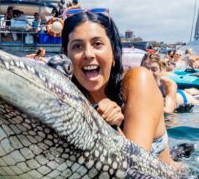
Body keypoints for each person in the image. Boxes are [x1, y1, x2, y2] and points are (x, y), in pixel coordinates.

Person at [61, 11, 181, 168]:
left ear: (113, 51)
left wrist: (112, 128)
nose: (88, 54)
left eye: (97, 44)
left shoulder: (138, 80)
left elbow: (137, 168)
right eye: (77, 46)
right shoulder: (68, 99)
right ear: (66, 55)